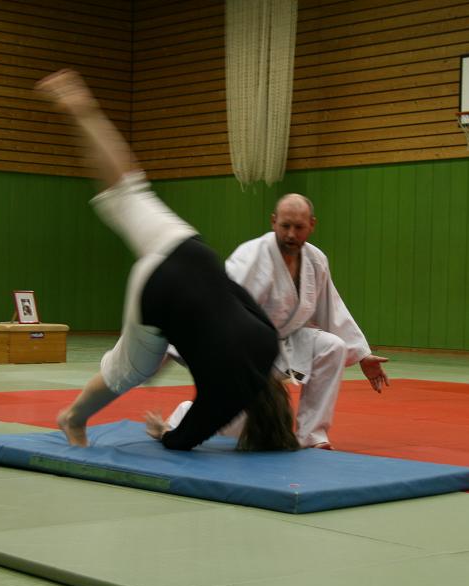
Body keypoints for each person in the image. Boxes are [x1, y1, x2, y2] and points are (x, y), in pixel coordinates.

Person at [37, 69, 297, 452]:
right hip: (159, 292)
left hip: (190, 251)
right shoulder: (224, 401)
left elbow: (234, 292)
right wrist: (165, 432)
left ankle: (83, 110)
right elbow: (181, 440)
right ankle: (73, 417)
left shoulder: (268, 344)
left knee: (129, 193)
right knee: (130, 370)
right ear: (253, 425)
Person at [225, 195, 390, 449]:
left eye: (299, 227)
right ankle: (184, 417)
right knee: (233, 434)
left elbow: (331, 307)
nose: (291, 234)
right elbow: (224, 310)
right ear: (273, 222)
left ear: (312, 225)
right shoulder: (251, 257)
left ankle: (312, 436)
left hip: (284, 344)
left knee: (333, 347)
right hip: (242, 352)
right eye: (285, 226)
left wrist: (362, 355)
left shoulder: (315, 260)